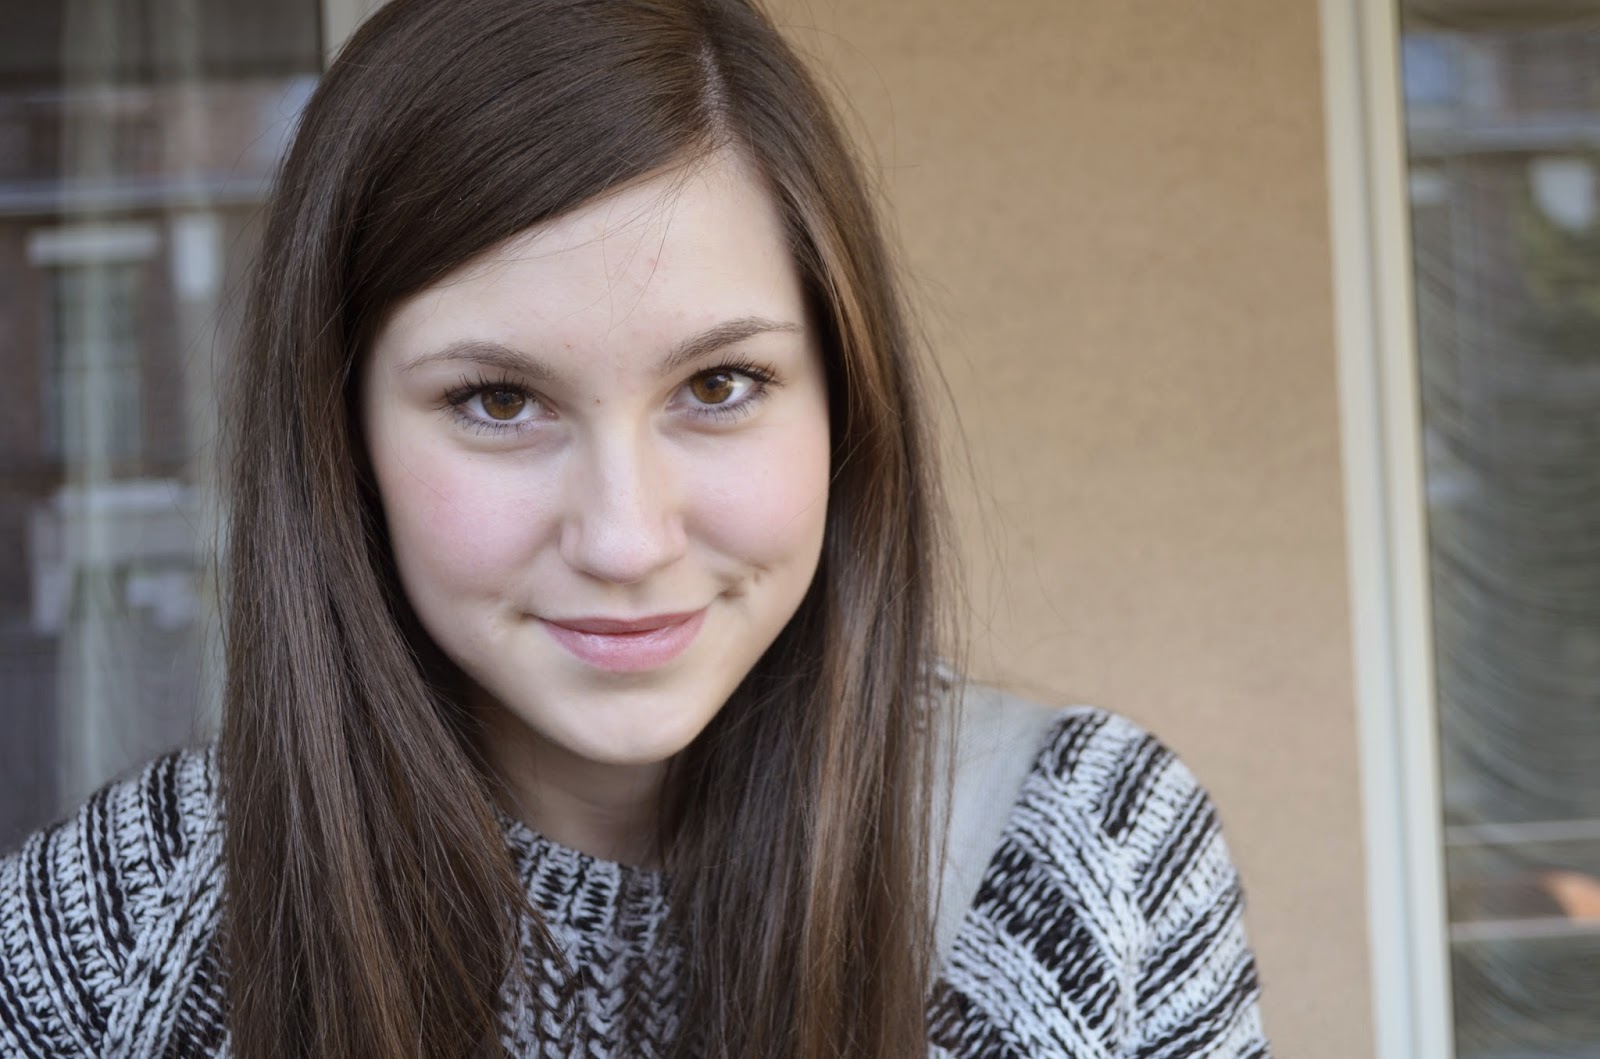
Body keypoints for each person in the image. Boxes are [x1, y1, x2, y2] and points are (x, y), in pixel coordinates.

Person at [0, 0, 1271, 1055]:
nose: (625, 541)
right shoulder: (111, 937)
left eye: (719, 385)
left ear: (844, 399)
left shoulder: (1094, 854)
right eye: (498, 401)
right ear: (343, 438)